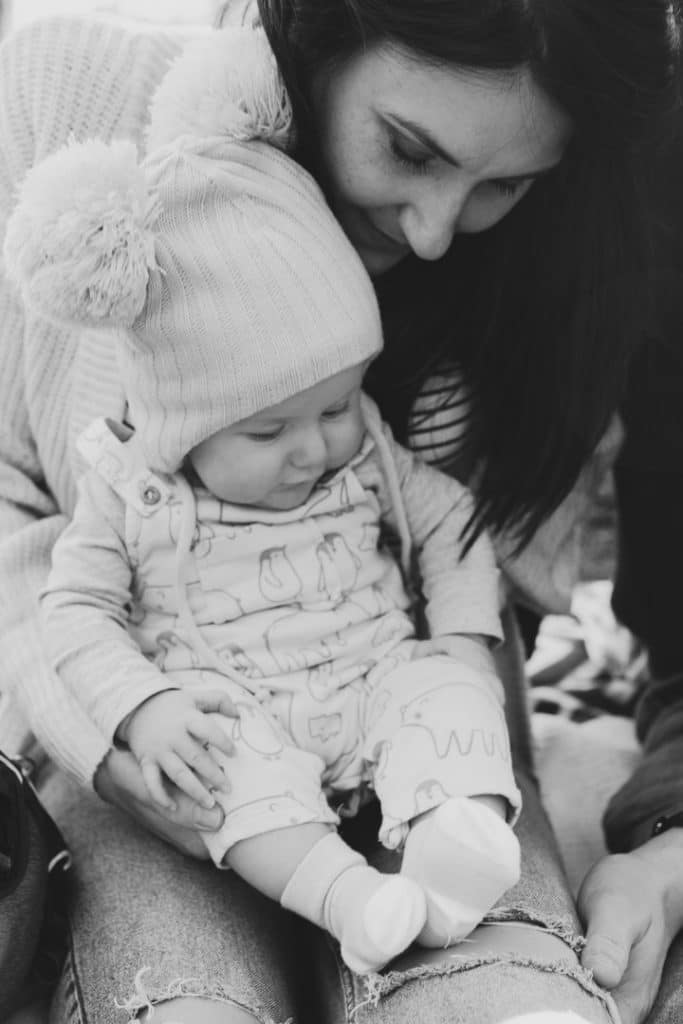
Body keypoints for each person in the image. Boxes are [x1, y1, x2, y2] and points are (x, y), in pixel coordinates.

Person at [0, 1, 678, 1023]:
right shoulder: (71, 107)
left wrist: (455, 661)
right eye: (406, 148)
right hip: (174, 733)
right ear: (317, 38)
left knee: (498, 984)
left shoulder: (567, 271)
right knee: (183, 988)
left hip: (399, 732)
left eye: (504, 184)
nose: (434, 229)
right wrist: (111, 723)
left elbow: (478, 579)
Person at [8, 78, 521, 975]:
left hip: (371, 678)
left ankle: (453, 836)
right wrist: (147, 708)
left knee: (447, 697)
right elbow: (74, 615)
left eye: (336, 405)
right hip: (232, 715)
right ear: (184, 426)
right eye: (267, 430)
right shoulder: (129, 491)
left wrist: (467, 640)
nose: (314, 448)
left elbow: (456, 527)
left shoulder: (365, 454)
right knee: (223, 789)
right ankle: (350, 899)